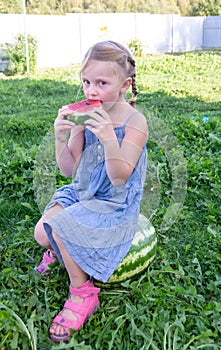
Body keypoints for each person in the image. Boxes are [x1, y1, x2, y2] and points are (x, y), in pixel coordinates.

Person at [34, 40, 148, 342]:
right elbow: (69, 170)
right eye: (86, 82)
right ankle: (63, 248)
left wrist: (109, 138)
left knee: (59, 227)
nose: (91, 91)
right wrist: (62, 137)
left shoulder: (137, 123)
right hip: (84, 192)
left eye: (101, 82)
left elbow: (120, 177)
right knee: (43, 233)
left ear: (125, 85)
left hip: (114, 203)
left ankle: (83, 293)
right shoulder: (85, 118)